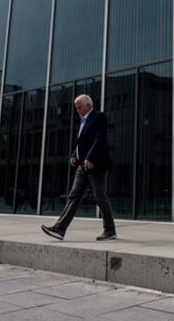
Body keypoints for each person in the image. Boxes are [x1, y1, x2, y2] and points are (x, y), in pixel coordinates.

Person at [42, 94, 117, 241]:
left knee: (100, 197)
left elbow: (99, 139)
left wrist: (90, 157)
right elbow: (81, 142)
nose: (77, 109)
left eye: (79, 106)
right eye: (76, 107)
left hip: (96, 164)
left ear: (88, 105)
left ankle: (110, 230)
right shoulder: (82, 121)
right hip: (83, 166)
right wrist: (74, 154)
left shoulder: (98, 117)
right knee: (74, 196)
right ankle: (59, 229)